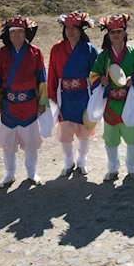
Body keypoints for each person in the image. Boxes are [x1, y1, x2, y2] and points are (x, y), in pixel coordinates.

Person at [0, 15, 48, 187]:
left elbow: (42, 79)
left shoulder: (35, 52)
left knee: (31, 144)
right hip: (8, 106)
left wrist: (42, 101)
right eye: (14, 32)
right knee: (7, 144)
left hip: (29, 105)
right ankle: (9, 174)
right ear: (9, 34)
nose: (17, 36)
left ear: (26, 33)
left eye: (21, 32)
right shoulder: (1, 54)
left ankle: (31, 172)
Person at [89, 13, 134, 181]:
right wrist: (100, 80)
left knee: (132, 138)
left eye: (119, 31)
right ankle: (113, 167)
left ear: (124, 33)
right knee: (111, 139)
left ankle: (132, 168)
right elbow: (93, 75)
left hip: (128, 102)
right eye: (112, 32)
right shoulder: (103, 57)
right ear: (108, 35)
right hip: (110, 104)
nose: (116, 35)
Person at [48, 11, 98, 177]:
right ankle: (68, 161)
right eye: (68, 28)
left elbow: (96, 73)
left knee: (85, 128)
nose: (71, 31)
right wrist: (52, 95)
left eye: (75, 28)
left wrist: (97, 96)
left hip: (84, 94)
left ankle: (82, 160)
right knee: (64, 130)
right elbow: (53, 74)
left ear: (81, 29)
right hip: (64, 95)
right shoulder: (56, 49)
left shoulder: (89, 49)